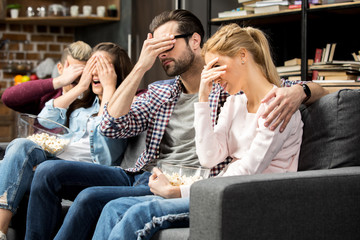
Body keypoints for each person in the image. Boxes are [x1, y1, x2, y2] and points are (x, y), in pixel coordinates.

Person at [25, 9, 327, 240]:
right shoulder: (161, 91)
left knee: (99, 201)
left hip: (202, 183)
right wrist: (142, 65)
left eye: (167, 44)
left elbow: (285, 89)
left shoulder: (235, 85)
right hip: (150, 176)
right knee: (50, 171)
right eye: (155, 46)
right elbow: (111, 126)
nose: (161, 53)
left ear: (195, 41)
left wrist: (301, 91)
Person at [91, 23, 304, 240]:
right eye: (209, 68)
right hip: (222, 191)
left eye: (217, 65)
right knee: (114, 208)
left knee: (139, 213)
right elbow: (209, 157)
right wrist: (203, 98)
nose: (214, 76)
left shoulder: (279, 107)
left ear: (242, 56)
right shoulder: (234, 103)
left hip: (254, 199)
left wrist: (179, 191)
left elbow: (248, 171)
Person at [0, 42, 131, 240]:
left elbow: (106, 151)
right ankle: (1, 229)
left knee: (42, 169)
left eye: (103, 68)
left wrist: (110, 88)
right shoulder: (83, 105)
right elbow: (44, 121)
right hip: (57, 162)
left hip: (90, 169)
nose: (96, 73)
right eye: (93, 67)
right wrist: (79, 86)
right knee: (20, 145)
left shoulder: (126, 108)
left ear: (117, 72)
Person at [1, 41, 92, 115]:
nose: (77, 77)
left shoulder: (96, 97)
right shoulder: (47, 96)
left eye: (82, 72)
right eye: (73, 71)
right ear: (60, 69)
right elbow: (7, 98)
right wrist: (60, 81)